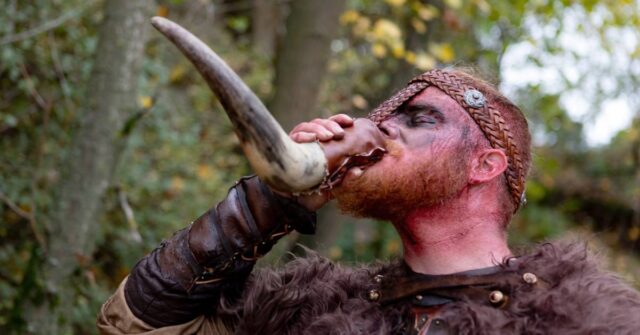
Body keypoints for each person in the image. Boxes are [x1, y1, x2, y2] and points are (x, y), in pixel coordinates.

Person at [97, 69, 640, 335]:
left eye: (418, 120)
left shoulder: (585, 321)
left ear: (485, 166)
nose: (376, 132)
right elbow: (137, 326)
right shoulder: (314, 313)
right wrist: (271, 199)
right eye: (380, 120)